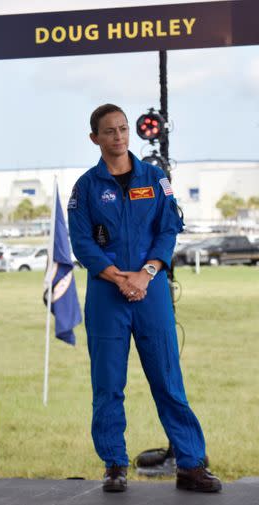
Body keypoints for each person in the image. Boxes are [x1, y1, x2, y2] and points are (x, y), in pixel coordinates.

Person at [68, 103, 221, 493]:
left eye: (123, 129)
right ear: (94, 139)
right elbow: (82, 241)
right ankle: (114, 464)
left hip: (150, 291)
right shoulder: (85, 187)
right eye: (110, 131)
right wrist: (117, 277)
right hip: (107, 294)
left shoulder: (155, 178)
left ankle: (190, 464)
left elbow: (169, 227)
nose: (119, 137)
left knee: (168, 380)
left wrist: (147, 273)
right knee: (108, 385)